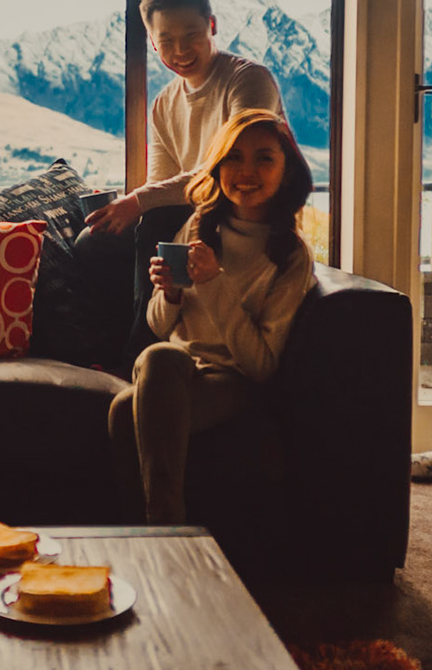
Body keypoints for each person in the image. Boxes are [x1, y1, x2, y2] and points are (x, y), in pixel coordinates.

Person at [107, 109, 317, 526]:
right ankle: (146, 532)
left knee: (139, 388)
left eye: (264, 158)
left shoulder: (290, 254)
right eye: (233, 158)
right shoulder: (201, 226)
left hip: (233, 379)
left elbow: (261, 366)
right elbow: (158, 326)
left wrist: (213, 282)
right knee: (146, 376)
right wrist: (169, 292)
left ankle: (165, 529)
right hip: (179, 370)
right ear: (218, 167)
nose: (246, 171)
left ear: (287, 172)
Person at [83, 0, 286, 235]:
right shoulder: (163, 105)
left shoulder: (248, 80)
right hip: (196, 214)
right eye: (166, 41)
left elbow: (231, 172)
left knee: (156, 223)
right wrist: (123, 210)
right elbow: (160, 186)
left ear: (211, 26)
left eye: (191, 35)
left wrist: (137, 201)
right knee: (94, 239)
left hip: (249, 214)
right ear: (153, 43)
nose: (180, 50)